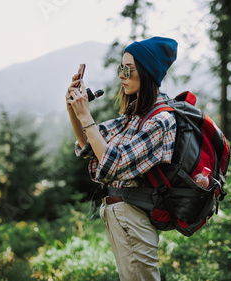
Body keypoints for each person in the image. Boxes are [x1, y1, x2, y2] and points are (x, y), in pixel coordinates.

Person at [65, 36, 178, 280]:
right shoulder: (134, 115)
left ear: (148, 73)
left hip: (133, 218)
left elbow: (113, 163)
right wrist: (73, 109)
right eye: (121, 68)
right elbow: (88, 144)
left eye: (129, 69)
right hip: (121, 216)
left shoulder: (161, 120)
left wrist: (86, 117)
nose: (121, 75)